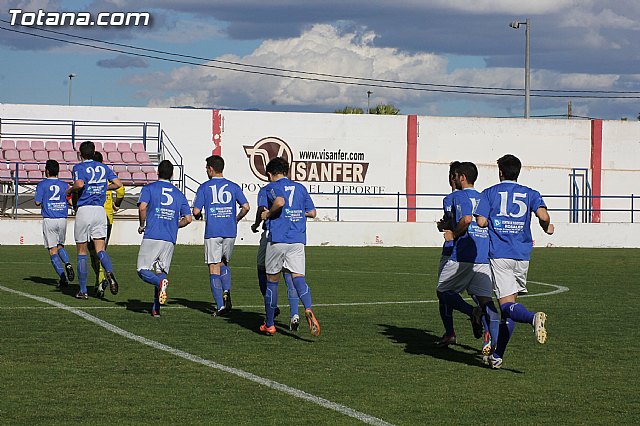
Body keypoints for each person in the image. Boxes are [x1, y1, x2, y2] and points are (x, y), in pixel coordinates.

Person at [475, 154, 554, 369]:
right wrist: (545, 225)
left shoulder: (489, 193)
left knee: (507, 306)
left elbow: (481, 222)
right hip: (522, 256)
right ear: (517, 172)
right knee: (508, 307)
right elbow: (544, 216)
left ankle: (532, 318)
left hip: (500, 255)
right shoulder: (530, 193)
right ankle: (498, 356)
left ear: (501, 172)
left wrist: (487, 219)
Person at [436, 162, 500, 357]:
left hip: (461, 253)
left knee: (443, 292)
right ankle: (493, 346)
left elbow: (465, 220)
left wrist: (453, 234)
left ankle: (470, 314)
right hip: (482, 255)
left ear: (460, 177)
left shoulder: (457, 196)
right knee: (486, 300)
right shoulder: (484, 197)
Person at [260, 157, 319, 336]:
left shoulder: (268, 188)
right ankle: (308, 308)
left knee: (272, 282)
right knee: (298, 278)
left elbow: (274, 205)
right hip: (297, 239)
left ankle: (270, 324)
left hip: (278, 239)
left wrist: (268, 214)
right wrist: (297, 213)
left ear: (270, 174)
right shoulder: (300, 188)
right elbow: (313, 212)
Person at [192, 155, 250, 317]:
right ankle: (226, 292)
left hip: (213, 232)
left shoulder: (204, 187)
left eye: (206, 169)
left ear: (211, 169)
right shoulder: (233, 186)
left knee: (213, 266)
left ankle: (220, 306)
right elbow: (246, 206)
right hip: (230, 231)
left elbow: (196, 211)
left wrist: (198, 215)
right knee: (224, 262)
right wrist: (236, 218)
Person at [67, 141, 122, 299]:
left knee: (82, 252)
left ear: (81, 154)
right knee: (100, 249)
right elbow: (118, 184)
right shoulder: (103, 167)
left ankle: (83, 291)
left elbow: (79, 184)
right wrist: (103, 187)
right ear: (93, 152)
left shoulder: (79, 167)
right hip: (100, 211)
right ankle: (109, 273)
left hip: (84, 210)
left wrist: (70, 189)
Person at [136, 160, 192, 317]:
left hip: (153, 234)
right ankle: (156, 309)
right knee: (161, 271)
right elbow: (188, 218)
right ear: (172, 175)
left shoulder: (149, 188)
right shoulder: (179, 194)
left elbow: (142, 207)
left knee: (142, 270)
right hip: (169, 238)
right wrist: (175, 225)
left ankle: (160, 284)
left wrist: (142, 224)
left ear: (157, 173)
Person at [251, 185, 300, 331]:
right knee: (290, 274)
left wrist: (256, 224)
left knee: (263, 271)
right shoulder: (297, 188)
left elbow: (262, 209)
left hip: (272, 235)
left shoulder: (267, 189)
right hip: (292, 235)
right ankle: (295, 314)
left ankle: (271, 311)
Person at [89, 151, 125, 298]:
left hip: (92, 217)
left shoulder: (90, 175)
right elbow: (121, 190)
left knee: (93, 254)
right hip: (107, 219)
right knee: (102, 251)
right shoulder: (108, 174)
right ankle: (101, 281)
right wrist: (117, 204)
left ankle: (100, 281)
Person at [35, 159, 75, 288]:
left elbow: (37, 202)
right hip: (62, 218)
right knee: (60, 246)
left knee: (52, 250)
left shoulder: (42, 185)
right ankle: (68, 263)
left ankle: (63, 278)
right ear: (58, 171)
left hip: (49, 218)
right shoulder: (65, 185)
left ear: (46, 171)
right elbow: (70, 201)